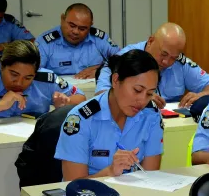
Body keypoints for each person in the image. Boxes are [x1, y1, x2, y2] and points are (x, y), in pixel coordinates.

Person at [55, 49, 164, 180]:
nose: (142, 100)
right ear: (115, 80)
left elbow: (150, 178)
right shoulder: (81, 119)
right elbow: (72, 184)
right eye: (137, 90)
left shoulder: (151, 115)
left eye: (149, 94)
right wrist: (110, 172)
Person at [95, 22, 209, 108]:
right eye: (163, 54)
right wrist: (140, 97)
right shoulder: (124, 58)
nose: (166, 62)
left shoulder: (181, 63)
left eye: (173, 57)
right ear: (150, 41)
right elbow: (101, 95)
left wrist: (200, 95)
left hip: (172, 125)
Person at [36, 3, 120, 78]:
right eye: (72, 26)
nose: (76, 32)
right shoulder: (45, 42)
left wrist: (101, 70)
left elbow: (122, 60)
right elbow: (33, 71)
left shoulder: (99, 38)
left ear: (90, 26)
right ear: (62, 19)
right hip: (58, 92)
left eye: (82, 29)